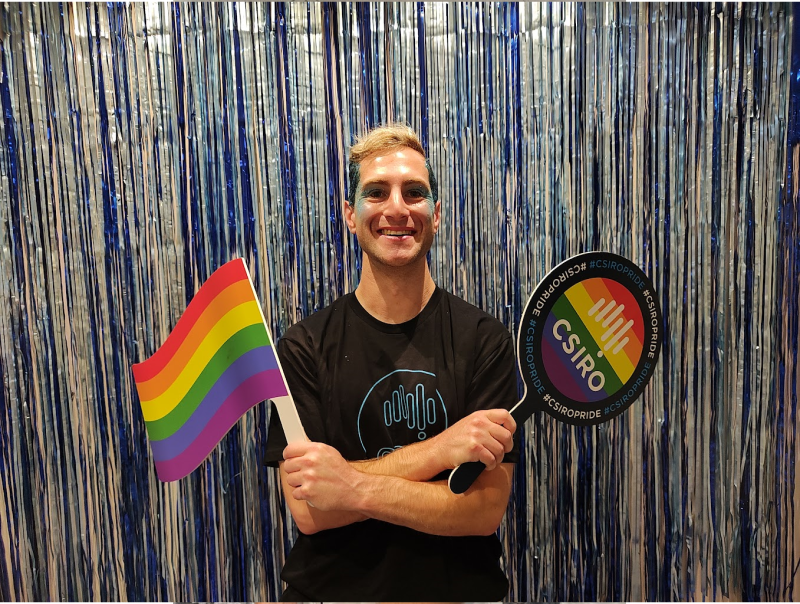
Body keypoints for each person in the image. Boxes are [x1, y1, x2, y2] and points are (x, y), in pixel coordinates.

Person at [265, 124, 519, 602]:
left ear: (436, 214)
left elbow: (483, 510)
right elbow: (310, 510)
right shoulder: (303, 347)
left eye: (415, 192)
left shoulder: (484, 341)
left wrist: (350, 488)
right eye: (376, 192)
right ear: (350, 214)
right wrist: (442, 452)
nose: (397, 209)